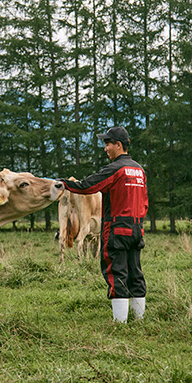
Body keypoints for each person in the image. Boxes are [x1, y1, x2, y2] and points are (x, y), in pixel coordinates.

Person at [57, 126, 148, 323]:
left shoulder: (115, 169)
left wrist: (62, 184)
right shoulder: (139, 170)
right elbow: (145, 202)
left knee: (117, 273)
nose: (105, 148)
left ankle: (120, 323)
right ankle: (139, 320)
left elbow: (87, 186)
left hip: (117, 228)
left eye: (108, 144)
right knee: (135, 272)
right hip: (137, 229)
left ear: (119, 145)